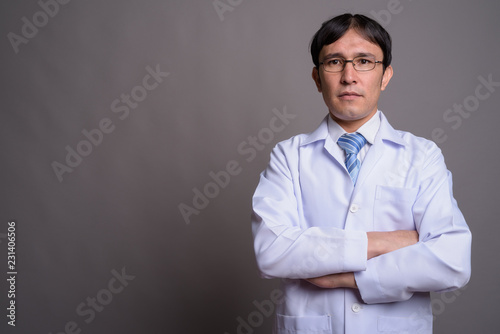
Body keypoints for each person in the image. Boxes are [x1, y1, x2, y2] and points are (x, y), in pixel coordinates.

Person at [251, 13, 471, 334]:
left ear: (385, 76)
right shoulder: (289, 156)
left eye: (365, 61)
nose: (349, 76)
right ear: (317, 78)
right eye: (335, 62)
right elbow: (271, 252)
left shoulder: (421, 156)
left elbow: (452, 262)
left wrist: (349, 277)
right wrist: (388, 242)